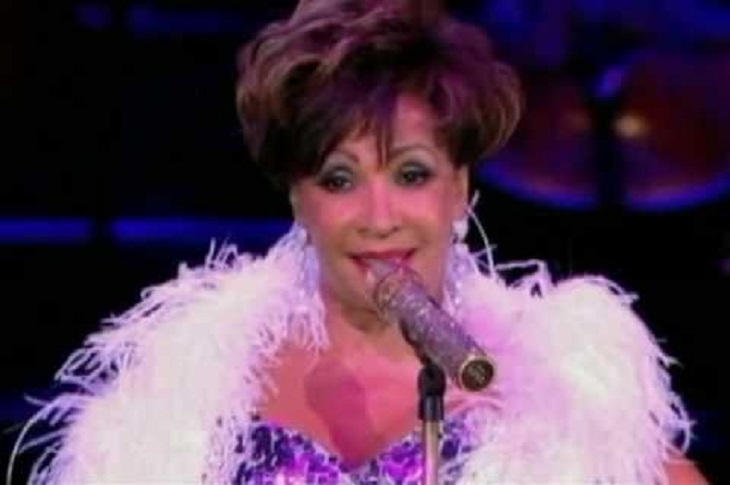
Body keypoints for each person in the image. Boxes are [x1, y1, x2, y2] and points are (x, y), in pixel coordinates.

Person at [8, 0, 708, 483]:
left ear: (460, 187)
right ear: (297, 197)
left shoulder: (556, 390)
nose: (379, 216)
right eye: (339, 179)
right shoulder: (186, 390)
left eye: (411, 174)